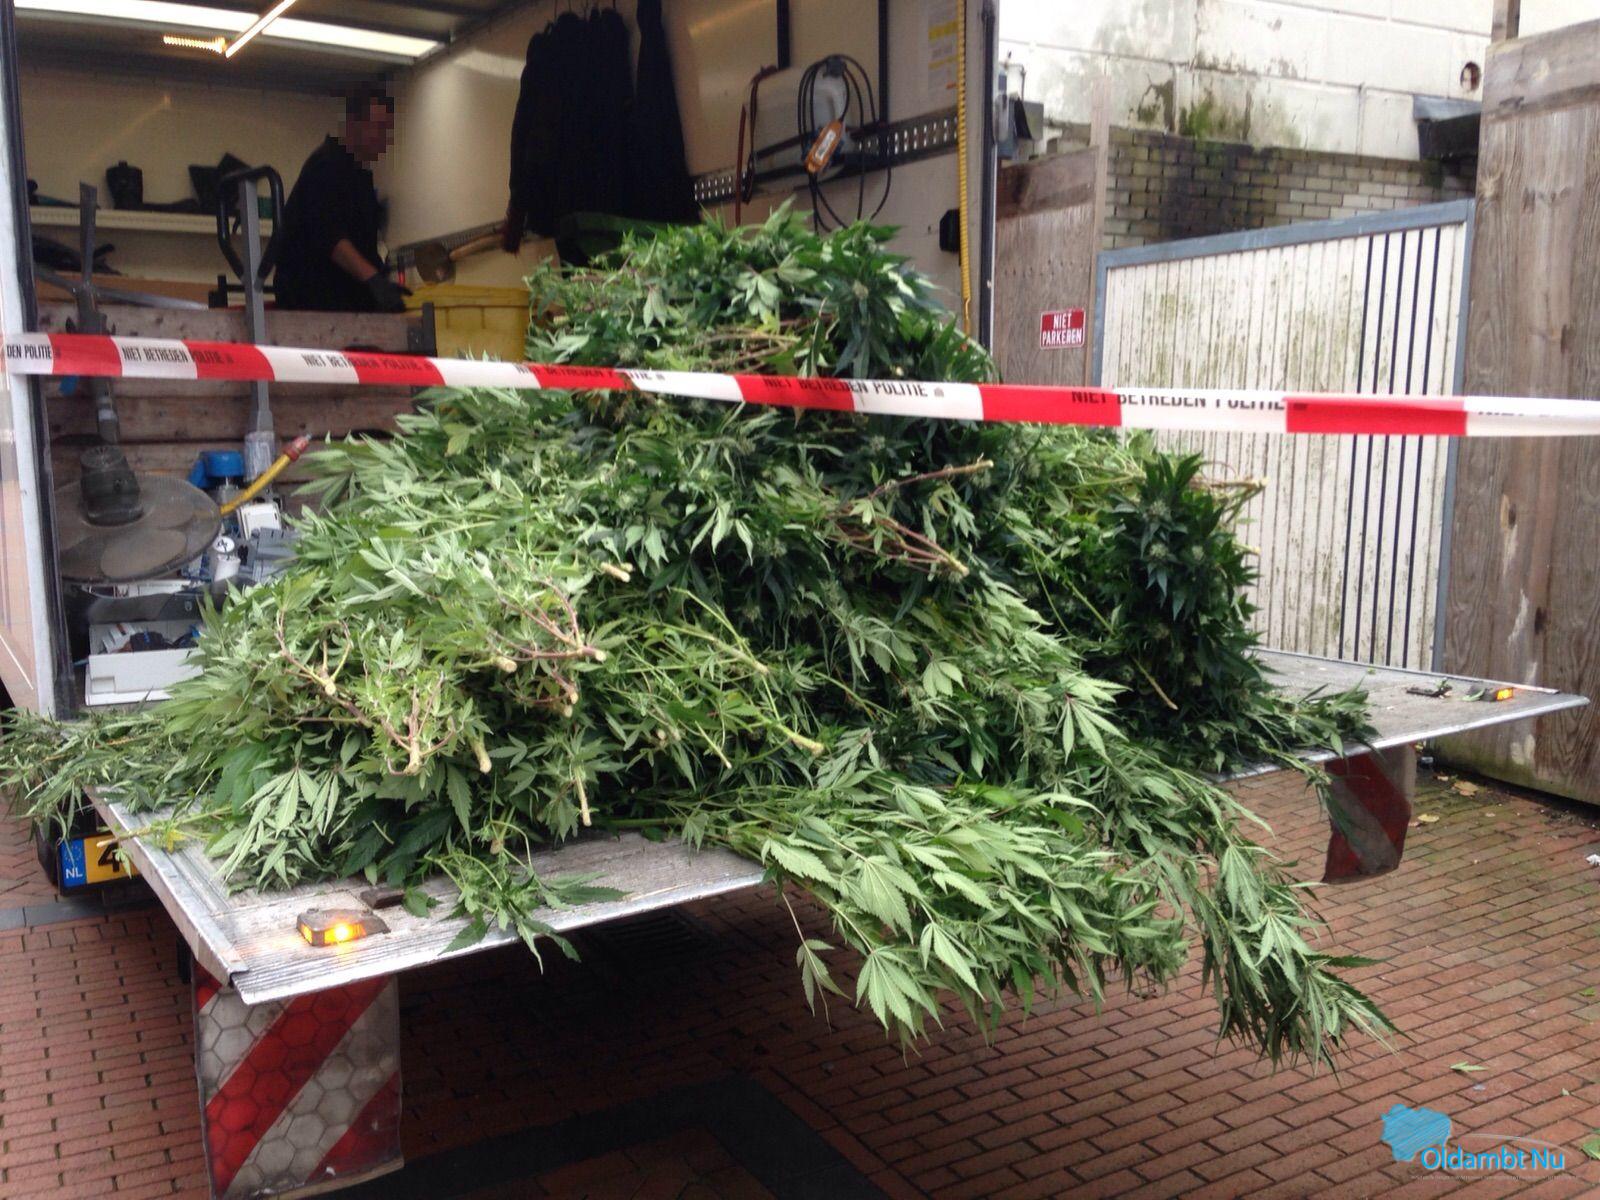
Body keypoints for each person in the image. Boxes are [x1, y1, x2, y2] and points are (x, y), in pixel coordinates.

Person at [274, 84, 408, 313]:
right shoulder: (327, 166)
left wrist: (379, 280)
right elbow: (330, 236)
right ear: (354, 124)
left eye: (387, 130)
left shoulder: (357, 176)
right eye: (379, 128)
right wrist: (373, 279)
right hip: (314, 299)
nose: (384, 139)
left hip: (336, 299)